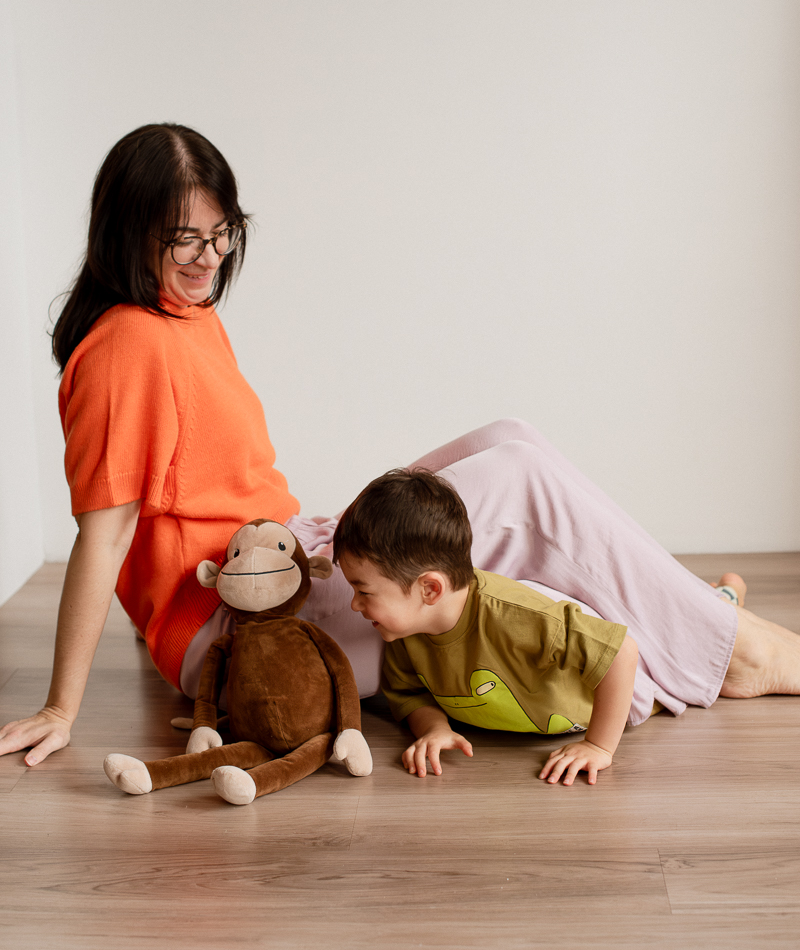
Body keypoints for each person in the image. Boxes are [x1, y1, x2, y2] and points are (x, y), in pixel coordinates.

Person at [1, 124, 797, 769]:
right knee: (521, 481)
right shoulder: (128, 349)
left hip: (285, 553)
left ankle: (680, 616)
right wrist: (63, 707)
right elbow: (105, 534)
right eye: (184, 239)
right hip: (254, 615)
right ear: (128, 235)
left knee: (506, 438)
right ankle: (734, 651)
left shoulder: (179, 311)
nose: (209, 259)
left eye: (223, 234)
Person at [331, 468, 800, 785]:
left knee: (686, 648)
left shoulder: (515, 618)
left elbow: (623, 654)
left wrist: (598, 745)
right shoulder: (401, 632)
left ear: (430, 589)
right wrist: (432, 728)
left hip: (635, 686)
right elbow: (410, 694)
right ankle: (722, 592)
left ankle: (723, 596)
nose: (354, 604)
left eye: (364, 590)